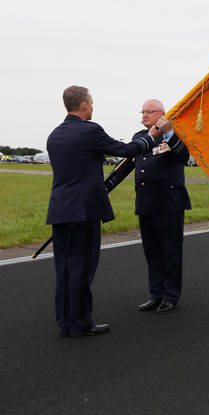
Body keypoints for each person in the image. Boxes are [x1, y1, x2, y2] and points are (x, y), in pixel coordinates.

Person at [46, 85, 161, 337]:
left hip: (60, 210)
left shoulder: (54, 135)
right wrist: (152, 135)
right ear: (84, 105)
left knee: (64, 269)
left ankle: (65, 322)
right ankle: (80, 323)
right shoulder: (89, 130)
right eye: (91, 102)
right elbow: (128, 151)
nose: (92, 107)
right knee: (82, 268)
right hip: (84, 211)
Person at [134, 99, 191, 314]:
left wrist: (168, 132)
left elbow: (183, 156)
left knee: (170, 251)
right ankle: (155, 294)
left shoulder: (174, 134)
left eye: (149, 111)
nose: (144, 115)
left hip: (169, 202)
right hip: (146, 202)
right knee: (152, 252)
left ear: (162, 114)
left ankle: (170, 295)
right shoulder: (140, 137)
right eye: (143, 111)